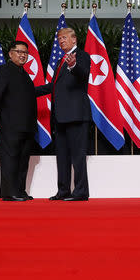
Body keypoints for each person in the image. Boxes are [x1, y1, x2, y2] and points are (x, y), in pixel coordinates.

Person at [36, 28, 91, 201]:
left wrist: (73, 65)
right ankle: (63, 191)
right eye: (59, 39)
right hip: (59, 117)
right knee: (62, 157)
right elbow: (54, 86)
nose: (61, 41)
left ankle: (81, 192)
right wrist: (28, 90)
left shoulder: (82, 56)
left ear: (74, 40)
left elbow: (83, 75)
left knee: (78, 156)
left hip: (76, 115)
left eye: (64, 38)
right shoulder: (61, 61)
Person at [0, 41, 36, 201]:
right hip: (9, 124)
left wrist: (53, 87)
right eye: (19, 51)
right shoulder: (5, 69)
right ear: (10, 53)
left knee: (22, 159)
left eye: (25, 53)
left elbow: (30, 93)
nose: (22, 55)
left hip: (26, 124)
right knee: (10, 158)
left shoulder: (24, 74)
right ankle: (9, 192)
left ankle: (20, 191)